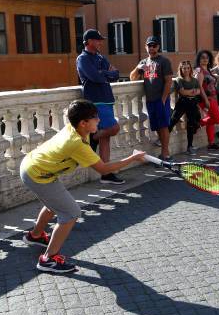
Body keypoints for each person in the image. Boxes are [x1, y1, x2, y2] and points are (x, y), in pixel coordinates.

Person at [21, 99, 146, 273]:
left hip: (32, 166)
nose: (99, 120)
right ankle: (48, 259)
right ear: (83, 123)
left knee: (53, 205)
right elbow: (103, 168)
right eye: (95, 117)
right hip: (38, 174)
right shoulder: (76, 143)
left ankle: (35, 235)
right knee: (71, 213)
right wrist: (132, 158)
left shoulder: (77, 129)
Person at [76, 29, 124, 184]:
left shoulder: (100, 57)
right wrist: (106, 73)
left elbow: (116, 74)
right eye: (97, 40)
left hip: (107, 100)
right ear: (89, 41)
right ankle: (92, 139)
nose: (100, 42)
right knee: (114, 128)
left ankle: (106, 174)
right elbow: (94, 77)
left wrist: (104, 73)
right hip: (96, 101)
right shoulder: (82, 59)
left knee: (107, 137)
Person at [130, 36, 174, 160]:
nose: (152, 48)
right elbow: (132, 77)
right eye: (149, 45)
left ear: (158, 47)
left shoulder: (164, 61)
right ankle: (163, 152)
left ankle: (166, 153)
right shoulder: (143, 62)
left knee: (163, 125)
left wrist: (163, 99)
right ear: (146, 47)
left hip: (161, 99)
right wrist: (138, 69)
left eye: (154, 45)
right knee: (157, 126)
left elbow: (168, 81)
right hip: (150, 100)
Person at [169, 61, 208, 154]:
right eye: (184, 68)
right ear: (181, 69)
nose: (186, 70)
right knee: (173, 120)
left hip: (192, 103)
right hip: (182, 102)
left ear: (190, 69)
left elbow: (198, 91)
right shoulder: (179, 79)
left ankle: (189, 147)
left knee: (191, 124)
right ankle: (161, 139)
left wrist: (190, 91)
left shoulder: (194, 80)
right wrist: (192, 91)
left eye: (188, 68)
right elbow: (182, 92)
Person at [194, 50, 219, 150]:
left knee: (211, 121)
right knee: (218, 119)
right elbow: (200, 86)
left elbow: (209, 81)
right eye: (202, 57)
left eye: (207, 57)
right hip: (207, 99)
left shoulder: (208, 70)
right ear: (199, 59)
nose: (205, 59)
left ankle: (211, 143)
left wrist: (215, 76)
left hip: (213, 98)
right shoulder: (199, 70)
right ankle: (198, 124)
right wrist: (206, 100)